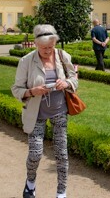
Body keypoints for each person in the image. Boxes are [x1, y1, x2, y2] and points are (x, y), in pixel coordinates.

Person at [11, 24, 78, 198]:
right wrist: (33, 91)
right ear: (36, 44)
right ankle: (30, 184)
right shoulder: (26, 61)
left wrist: (67, 84)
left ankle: (61, 193)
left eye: (50, 47)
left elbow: (74, 79)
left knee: (62, 155)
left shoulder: (63, 56)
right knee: (35, 154)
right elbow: (16, 89)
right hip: (36, 114)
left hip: (59, 111)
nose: (48, 51)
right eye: (43, 48)